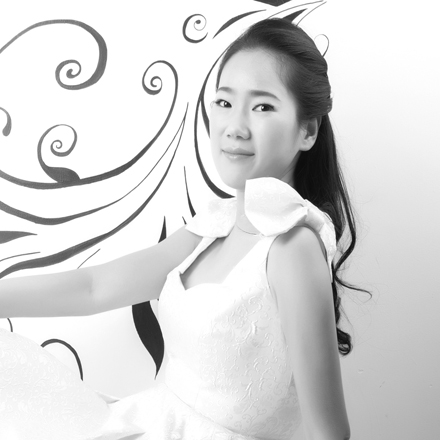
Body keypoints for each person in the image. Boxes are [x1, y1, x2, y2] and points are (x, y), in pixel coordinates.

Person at [0, 18, 358, 440]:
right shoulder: (213, 226)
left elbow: (328, 433)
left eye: (263, 107)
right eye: (224, 102)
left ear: (308, 130)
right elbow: (95, 287)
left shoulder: (292, 248)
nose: (234, 126)